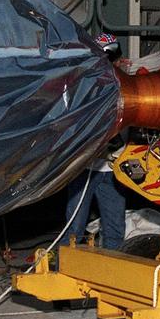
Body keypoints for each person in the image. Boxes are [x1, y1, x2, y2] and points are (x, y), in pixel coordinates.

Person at [62, 34, 127, 251]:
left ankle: (113, 272)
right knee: (74, 228)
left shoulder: (127, 86)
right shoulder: (84, 87)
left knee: (115, 227)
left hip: (113, 168)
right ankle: (64, 271)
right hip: (85, 167)